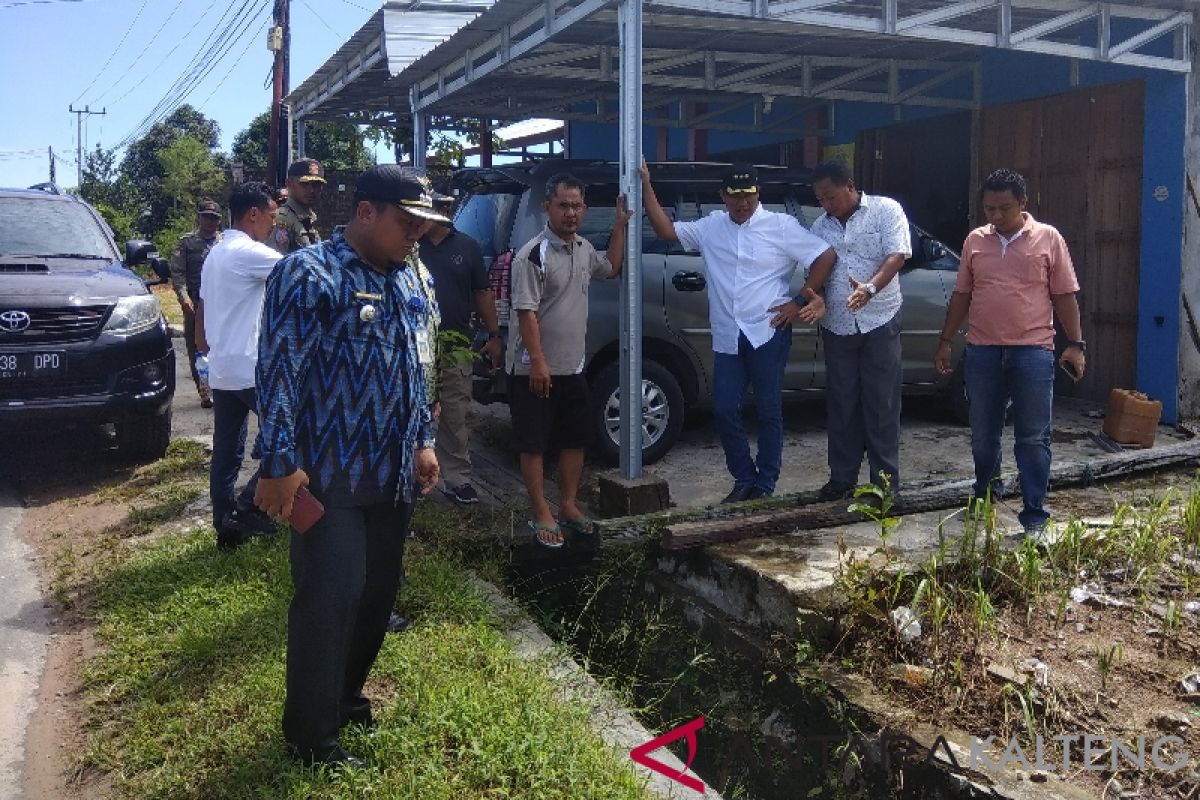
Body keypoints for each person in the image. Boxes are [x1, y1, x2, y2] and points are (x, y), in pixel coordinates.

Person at [253, 164, 447, 767]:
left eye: (423, 224)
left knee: (375, 594)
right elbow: (279, 372)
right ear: (367, 212)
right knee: (330, 598)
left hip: (393, 475)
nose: (416, 233)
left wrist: (423, 439)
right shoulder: (308, 274)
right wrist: (279, 461)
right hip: (327, 476)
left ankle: (346, 701)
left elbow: (420, 366)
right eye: (407, 221)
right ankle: (311, 736)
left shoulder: (412, 277)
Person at [641, 161, 835, 503]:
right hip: (728, 334)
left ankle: (766, 482)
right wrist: (645, 185)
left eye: (748, 195)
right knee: (725, 408)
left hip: (768, 331)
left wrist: (800, 298)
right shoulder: (711, 226)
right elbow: (667, 232)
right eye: (735, 196)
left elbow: (824, 255)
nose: (742, 203)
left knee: (767, 409)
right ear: (723, 197)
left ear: (758, 194)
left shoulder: (781, 226)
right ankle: (743, 477)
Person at [935, 168, 1085, 539]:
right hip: (983, 352)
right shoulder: (975, 241)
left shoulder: (1048, 239)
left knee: (1033, 437)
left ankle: (1034, 513)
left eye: (1004, 208)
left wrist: (1076, 345)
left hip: (1033, 352)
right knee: (983, 434)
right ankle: (986, 491)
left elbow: (1064, 295)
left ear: (1023, 203)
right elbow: (962, 296)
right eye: (989, 209)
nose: (996, 216)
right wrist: (945, 340)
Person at [507, 173, 630, 547]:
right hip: (534, 368)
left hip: (573, 367)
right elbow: (526, 312)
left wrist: (620, 227)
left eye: (577, 205)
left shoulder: (582, 248)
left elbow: (610, 268)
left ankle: (568, 505)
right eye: (564, 205)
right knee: (534, 443)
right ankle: (541, 511)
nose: (571, 212)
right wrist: (539, 361)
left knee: (575, 439)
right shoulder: (533, 254)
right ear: (548, 208)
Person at [808, 160, 911, 502]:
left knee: (881, 404)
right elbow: (817, 276)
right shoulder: (819, 228)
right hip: (837, 325)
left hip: (880, 319)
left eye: (831, 197)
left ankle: (884, 487)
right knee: (842, 404)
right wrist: (818, 300)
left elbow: (897, 256)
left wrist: (869, 288)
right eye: (821, 199)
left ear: (850, 186)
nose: (827, 205)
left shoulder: (885, 210)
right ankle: (841, 479)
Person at [197, 182, 282, 550]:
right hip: (251, 367)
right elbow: (300, 269)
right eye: (272, 217)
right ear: (253, 214)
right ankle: (249, 507)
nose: (273, 227)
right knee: (295, 434)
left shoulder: (215, 253)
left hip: (222, 367)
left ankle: (225, 529)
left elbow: (202, 310)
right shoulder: (249, 252)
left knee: (227, 450)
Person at [419, 191, 502, 506]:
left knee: (454, 412)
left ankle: (458, 479)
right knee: (415, 412)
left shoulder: (467, 247)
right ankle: (414, 475)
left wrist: (494, 334)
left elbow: (482, 293)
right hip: (416, 346)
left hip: (455, 345)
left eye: (444, 207)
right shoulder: (411, 246)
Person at [169, 200, 223, 408]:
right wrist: (184, 299)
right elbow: (178, 274)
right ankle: (204, 391)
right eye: (206, 216)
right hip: (195, 303)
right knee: (196, 348)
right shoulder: (187, 243)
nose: (209, 221)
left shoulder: (224, 243)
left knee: (219, 346)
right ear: (199, 218)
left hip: (220, 304)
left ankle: (220, 388)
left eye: (214, 218)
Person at [273, 158, 325, 253]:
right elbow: (276, 263)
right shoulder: (282, 219)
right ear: (289, 183)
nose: (312, 190)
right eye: (304, 184)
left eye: (316, 184)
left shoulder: (309, 218)